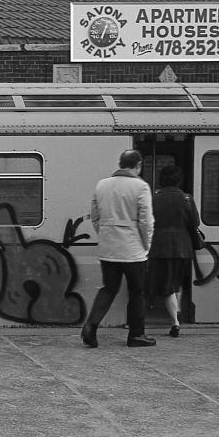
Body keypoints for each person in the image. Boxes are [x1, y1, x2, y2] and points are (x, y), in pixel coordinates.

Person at [80, 149, 157, 348]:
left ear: (120, 164)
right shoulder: (141, 187)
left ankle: (90, 327)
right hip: (133, 250)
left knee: (108, 289)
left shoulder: (102, 185)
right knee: (137, 292)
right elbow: (146, 222)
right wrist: (146, 245)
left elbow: (95, 217)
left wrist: (105, 234)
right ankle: (136, 335)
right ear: (138, 165)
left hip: (108, 248)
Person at [148, 165, 201, 338]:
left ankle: (175, 321)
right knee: (177, 282)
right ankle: (177, 313)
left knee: (166, 286)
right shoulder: (186, 199)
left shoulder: (153, 199)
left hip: (159, 247)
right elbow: (195, 222)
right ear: (179, 179)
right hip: (183, 247)